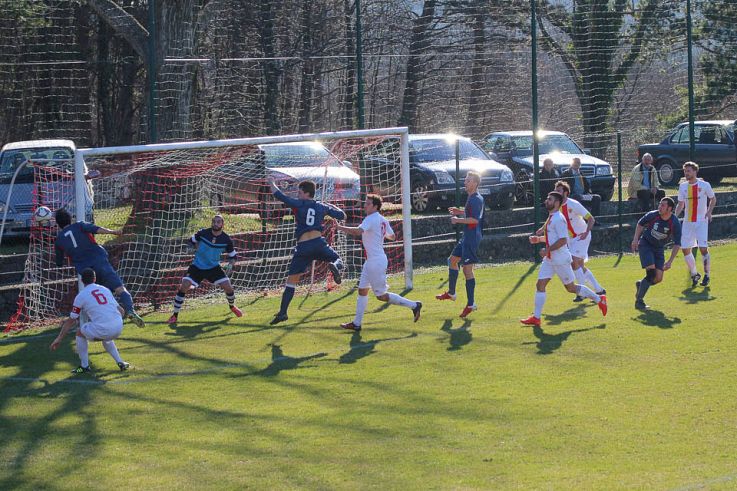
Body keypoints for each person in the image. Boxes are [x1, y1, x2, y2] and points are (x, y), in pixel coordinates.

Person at [336, 194, 422, 331]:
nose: (365, 206)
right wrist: (380, 234)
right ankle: (357, 323)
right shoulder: (382, 219)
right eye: (365, 203)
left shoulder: (371, 219)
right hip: (371, 261)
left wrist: (340, 228)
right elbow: (392, 236)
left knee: (381, 296)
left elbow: (358, 231)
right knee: (362, 290)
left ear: (375, 206)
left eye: (368, 203)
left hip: (376, 262)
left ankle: (414, 305)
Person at [520, 191, 607, 326]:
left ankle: (599, 299)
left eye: (549, 199)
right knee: (540, 285)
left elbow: (563, 240)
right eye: (547, 198)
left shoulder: (558, 219)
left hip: (560, 259)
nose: (546, 201)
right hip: (550, 259)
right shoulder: (551, 217)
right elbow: (552, 237)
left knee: (571, 288)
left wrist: (547, 250)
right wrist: (539, 239)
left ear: (556, 203)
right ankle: (536, 318)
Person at [269, 179, 347, 325]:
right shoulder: (321, 206)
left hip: (303, 247)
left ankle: (283, 312)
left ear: (306, 193)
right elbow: (342, 216)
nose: (298, 195)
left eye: (299, 192)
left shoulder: (299, 204)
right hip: (318, 244)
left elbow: (279, 195)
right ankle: (335, 266)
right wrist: (330, 206)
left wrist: (271, 182)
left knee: (291, 282)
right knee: (338, 259)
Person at [54, 208, 145, 327]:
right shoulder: (79, 225)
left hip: (87, 272)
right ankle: (130, 310)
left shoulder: (58, 240)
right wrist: (113, 232)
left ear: (58, 223)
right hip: (100, 262)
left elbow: (59, 263)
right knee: (119, 289)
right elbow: (96, 229)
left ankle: (99, 319)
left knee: (101, 295)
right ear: (70, 219)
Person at [50, 268, 130, 373]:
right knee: (106, 336)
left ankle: (84, 366)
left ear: (82, 280)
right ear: (95, 279)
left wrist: (59, 338)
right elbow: (121, 311)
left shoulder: (81, 296)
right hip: (118, 327)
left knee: (80, 333)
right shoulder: (105, 289)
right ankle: (120, 362)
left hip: (105, 329)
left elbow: (71, 320)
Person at [167, 215, 242, 325]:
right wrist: (190, 248)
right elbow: (191, 241)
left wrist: (230, 265)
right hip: (197, 266)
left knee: (228, 287)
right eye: (214, 221)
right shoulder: (203, 233)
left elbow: (233, 256)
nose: (216, 223)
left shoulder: (226, 239)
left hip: (213, 267)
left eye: (218, 222)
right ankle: (174, 315)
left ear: (222, 224)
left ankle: (232, 306)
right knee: (184, 285)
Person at [436, 171, 484, 318]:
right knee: (452, 260)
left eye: (468, 180)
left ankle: (471, 304)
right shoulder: (472, 197)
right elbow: (471, 214)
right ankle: (451, 293)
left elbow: (475, 220)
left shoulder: (476, 199)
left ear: (475, 183)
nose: (465, 182)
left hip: (472, 238)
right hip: (466, 236)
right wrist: (460, 212)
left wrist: (458, 220)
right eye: (465, 180)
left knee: (467, 270)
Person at [554, 181, 606, 302]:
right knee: (580, 265)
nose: (556, 193)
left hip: (582, 236)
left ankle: (581, 293)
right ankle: (599, 290)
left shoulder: (574, 204)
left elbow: (591, 219)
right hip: (571, 239)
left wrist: (586, 232)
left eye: (559, 190)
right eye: (555, 190)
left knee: (573, 261)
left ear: (566, 193)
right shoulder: (557, 207)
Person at [631, 197, 682, 310]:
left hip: (659, 248)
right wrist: (635, 239)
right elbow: (640, 224)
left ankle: (641, 285)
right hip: (646, 244)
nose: (660, 207)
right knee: (651, 273)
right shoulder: (653, 215)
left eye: (663, 205)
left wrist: (670, 261)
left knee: (658, 278)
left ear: (670, 209)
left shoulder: (674, 222)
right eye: (659, 204)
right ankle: (639, 302)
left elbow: (677, 243)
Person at [674, 162, 716, 287]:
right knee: (685, 249)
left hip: (701, 221)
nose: (686, 173)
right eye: (685, 171)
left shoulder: (704, 185)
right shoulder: (683, 186)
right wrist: (674, 217)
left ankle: (707, 275)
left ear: (695, 171)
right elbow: (680, 204)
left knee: (703, 248)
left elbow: (713, 198)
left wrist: (709, 212)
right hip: (687, 222)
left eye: (688, 171)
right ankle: (694, 274)